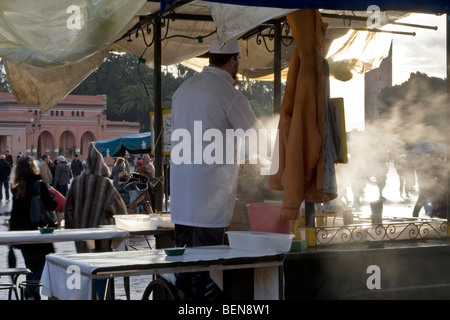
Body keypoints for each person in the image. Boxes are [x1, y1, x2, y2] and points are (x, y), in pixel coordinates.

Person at [170, 38, 263, 299]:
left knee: (186, 266)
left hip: (181, 200)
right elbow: (257, 139)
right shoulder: (229, 94)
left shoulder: (183, 90)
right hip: (208, 198)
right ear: (233, 60)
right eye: (238, 62)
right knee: (207, 269)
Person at [9, 156, 57, 300]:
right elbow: (51, 206)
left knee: (30, 266)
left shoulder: (17, 188)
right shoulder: (39, 184)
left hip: (22, 235)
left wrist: (11, 235)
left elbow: (14, 214)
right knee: (44, 264)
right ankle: (30, 290)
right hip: (40, 232)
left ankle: (33, 294)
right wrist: (52, 196)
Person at [64, 144, 127, 253]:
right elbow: (119, 210)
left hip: (81, 233)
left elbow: (68, 209)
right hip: (101, 234)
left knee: (84, 260)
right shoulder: (104, 183)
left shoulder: (76, 182)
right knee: (99, 262)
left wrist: (72, 228)